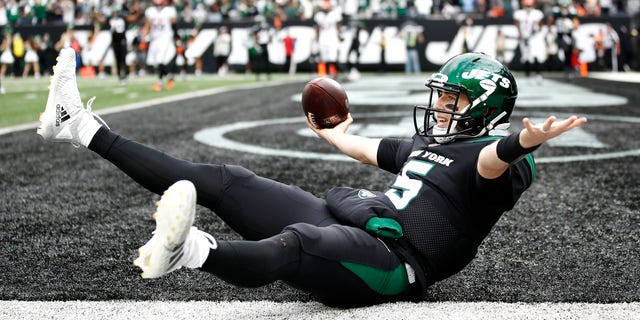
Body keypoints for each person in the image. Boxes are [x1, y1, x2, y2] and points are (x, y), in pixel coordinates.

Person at [37, 48, 587, 308]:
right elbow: (368, 149)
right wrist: (332, 134)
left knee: (299, 244)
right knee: (229, 180)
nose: (439, 107)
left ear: (485, 109)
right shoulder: (429, 144)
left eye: (452, 99)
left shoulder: (502, 159)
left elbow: (491, 163)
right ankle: (80, 126)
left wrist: (523, 141)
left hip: (394, 265)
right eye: (440, 97)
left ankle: (195, 254)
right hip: (362, 220)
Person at [143, 0, 177, 91]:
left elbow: (174, 25)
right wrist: (144, 38)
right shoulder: (150, 11)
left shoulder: (170, 11)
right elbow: (147, 25)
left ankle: (159, 82)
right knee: (154, 62)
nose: (159, 6)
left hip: (165, 38)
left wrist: (177, 39)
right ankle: (169, 76)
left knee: (160, 61)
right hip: (154, 39)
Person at [513, 0, 545, 84]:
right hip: (524, 37)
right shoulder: (519, 13)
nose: (528, 7)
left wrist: (536, 28)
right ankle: (528, 75)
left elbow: (540, 25)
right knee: (526, 57)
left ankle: (538, 74)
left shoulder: (537, 13)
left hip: (535, 38)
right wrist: (521, 34)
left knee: (536, 55)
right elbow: (518, 24)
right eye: (527, 6)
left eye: (529, 5)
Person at [547, 0, 579, 80]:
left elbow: (576, 24)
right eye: (563, 6)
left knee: (569, 52)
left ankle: (569, 69)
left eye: (566, 6)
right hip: (559, 35)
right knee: (559, 53)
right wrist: (550, 29)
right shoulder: (556, 11)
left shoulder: (571, 12)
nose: (564, 8)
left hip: (568, 35)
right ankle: (565, 68)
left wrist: (571, 26)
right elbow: (550, 20)